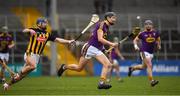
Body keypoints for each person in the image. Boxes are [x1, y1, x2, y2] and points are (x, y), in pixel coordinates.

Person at [3, 17, 75, 90]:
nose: (45, 24)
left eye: (46, 22)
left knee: (22, 76)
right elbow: (24, 30)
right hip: (29, 53)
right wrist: (30, 30)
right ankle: (16, 74)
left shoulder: (47, 34)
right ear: (39, 24)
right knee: (33, 66)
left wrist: (68, 41)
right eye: (44, 22)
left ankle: (7, 84)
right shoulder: (34, 30)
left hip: (37, 56)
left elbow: (58, 40)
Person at [58, 12, 118, 89]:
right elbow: (100, 39)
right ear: (108, 18)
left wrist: (104, 50)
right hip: (90, 48)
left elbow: (99, 40)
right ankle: (64, 67)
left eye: (115, 18)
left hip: (96, 49)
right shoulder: (101, 25)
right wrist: (112, 44)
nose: (114, 20)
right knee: (79, 68)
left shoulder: (106, 27)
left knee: (107, 64)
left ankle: (101, 83)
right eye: (113, 18)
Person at [128, 20, 161, 87]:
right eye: (146, 24)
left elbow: (158, 39)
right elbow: (135, 40)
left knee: (143, 67)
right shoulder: (142, 33)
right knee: (149, 65)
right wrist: (135, 46)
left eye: (149, 24)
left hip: (151, 53)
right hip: (143, 51)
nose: (148, 25)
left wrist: (159, 45)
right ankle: (152, 81)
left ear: (152, 25)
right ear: (144, 26)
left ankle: (132, 68)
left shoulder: (156, 32)